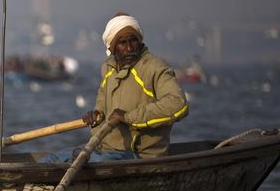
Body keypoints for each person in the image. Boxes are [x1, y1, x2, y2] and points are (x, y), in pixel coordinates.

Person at [42, 12, 188, 163]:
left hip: (138, 156)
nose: (130, 48)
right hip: (105, 150)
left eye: (133, 41)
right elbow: (102, 104)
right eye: (122, 43)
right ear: (112, 48)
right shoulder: (108, 69)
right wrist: (96, 115)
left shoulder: (154, 68)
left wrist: (128, 117)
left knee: (87, 164)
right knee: (50, 160)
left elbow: (178, 105)